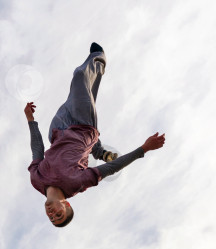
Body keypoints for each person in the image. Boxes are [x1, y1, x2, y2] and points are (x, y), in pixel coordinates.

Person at [25, 42, 165, 227]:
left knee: (85, 90)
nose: (52, 215)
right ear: (66, 204)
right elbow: (110, 169)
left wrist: (30, 120)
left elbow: (37, 149)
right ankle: (100, 58)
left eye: (51, 218)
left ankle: (99, 151)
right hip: (83, 126)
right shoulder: (75, 184)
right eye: (59, 215)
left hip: (58, 128)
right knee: (80, 77)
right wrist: (143, 149)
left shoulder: (36, 180)